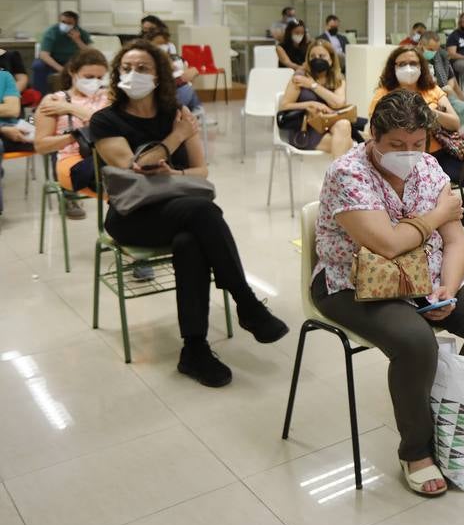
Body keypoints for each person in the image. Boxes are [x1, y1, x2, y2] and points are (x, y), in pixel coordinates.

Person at [314, 89, 464, 493]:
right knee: (415, 341)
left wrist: (448, 289)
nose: (409, 153)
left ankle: (453, 424)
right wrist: (439, 213)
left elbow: (456, 242)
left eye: (418, 144)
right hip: (353, 282)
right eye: (396, 145)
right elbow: (386, 244)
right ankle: (416, 448)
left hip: (423, 275)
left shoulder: (428, 168)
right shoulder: (347, 172)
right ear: (373, 135)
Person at [89, 40, 288, 387]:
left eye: (143, 68)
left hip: (181, 210)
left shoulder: (174, 112)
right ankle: (246, 302)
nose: (132, 74)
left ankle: (194, 350)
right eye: (126, 68)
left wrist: (174, 174)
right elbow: (133, 166)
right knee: (203, 211)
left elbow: (201, 172)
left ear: (159, 75)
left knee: (190, 240)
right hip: (133, 217)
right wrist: (176, 137)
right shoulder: (105, 120)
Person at [370, 47, 464, 225]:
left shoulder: (431, 90)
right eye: (402, 64)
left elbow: (454, 122)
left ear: (421, 66)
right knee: (419, 197)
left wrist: (429, 111)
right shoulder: (383, 94)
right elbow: (374, 132)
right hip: (402, 158)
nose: (408, 68)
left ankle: (454, 224)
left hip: (441, 155)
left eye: (413, 63)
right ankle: (419, 229)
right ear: (393, 67)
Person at [33, 49, 110, 219]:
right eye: (89, 77)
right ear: (72, 72)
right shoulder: (54, 101)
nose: (95, 82)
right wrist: (75, 135)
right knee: (122, 182)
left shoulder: (109, 97)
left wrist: (71, 109)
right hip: (73, 159)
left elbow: (114, 128)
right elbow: (41, 145)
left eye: (99, 78)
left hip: (108, 156)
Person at [278, 39, 353, 157]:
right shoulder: (300, 77)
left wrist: (312, 85)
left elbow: (338, 103)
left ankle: (336, 174)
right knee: (348, 145)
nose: (317, 59)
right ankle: (338, 174)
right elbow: (284, 105)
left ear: (331, 59)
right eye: (313, 56)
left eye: (321, 56)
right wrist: (310, 104)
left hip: (329, 124)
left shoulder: (338, 79)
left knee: (344, 124)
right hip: (305, 128)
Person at [32, 10, 92, 94]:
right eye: (63, 22)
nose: (65, 25)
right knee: (38, 66)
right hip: (53, 61)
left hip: (73, 61)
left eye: (69, 23)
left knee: (90, 65)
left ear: (75, 24)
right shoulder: (51, 32)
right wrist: (61, 69)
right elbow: (44, 55)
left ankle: (82, 94)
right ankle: (39, 96)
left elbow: (90, 53)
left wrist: (77, 40)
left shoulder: (81, 33)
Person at [422, 32, 464, 127]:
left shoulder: (441, 56)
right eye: (430, 49)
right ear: (421, 44)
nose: (433, 52)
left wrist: (460, 94)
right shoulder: (413, 59)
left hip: (443, 94)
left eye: (436, 49)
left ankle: (446, 132)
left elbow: (451, 77)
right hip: (425, 96)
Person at [146, 28, 203, 112]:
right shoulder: (148, 60)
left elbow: (188, 73)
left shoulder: (176, 58)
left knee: (188, 88)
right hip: (163, 94)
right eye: (159, 44)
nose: (163, 46)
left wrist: (193, 71)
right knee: (187, 89)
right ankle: (196, 110)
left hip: (179, 89)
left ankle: (196, 110)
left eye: (165, 43)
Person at [0, 66, 35, 151]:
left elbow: (12, 109)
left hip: (13, 128)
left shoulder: (4, 76)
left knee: (52, 138)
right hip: (4, 129)